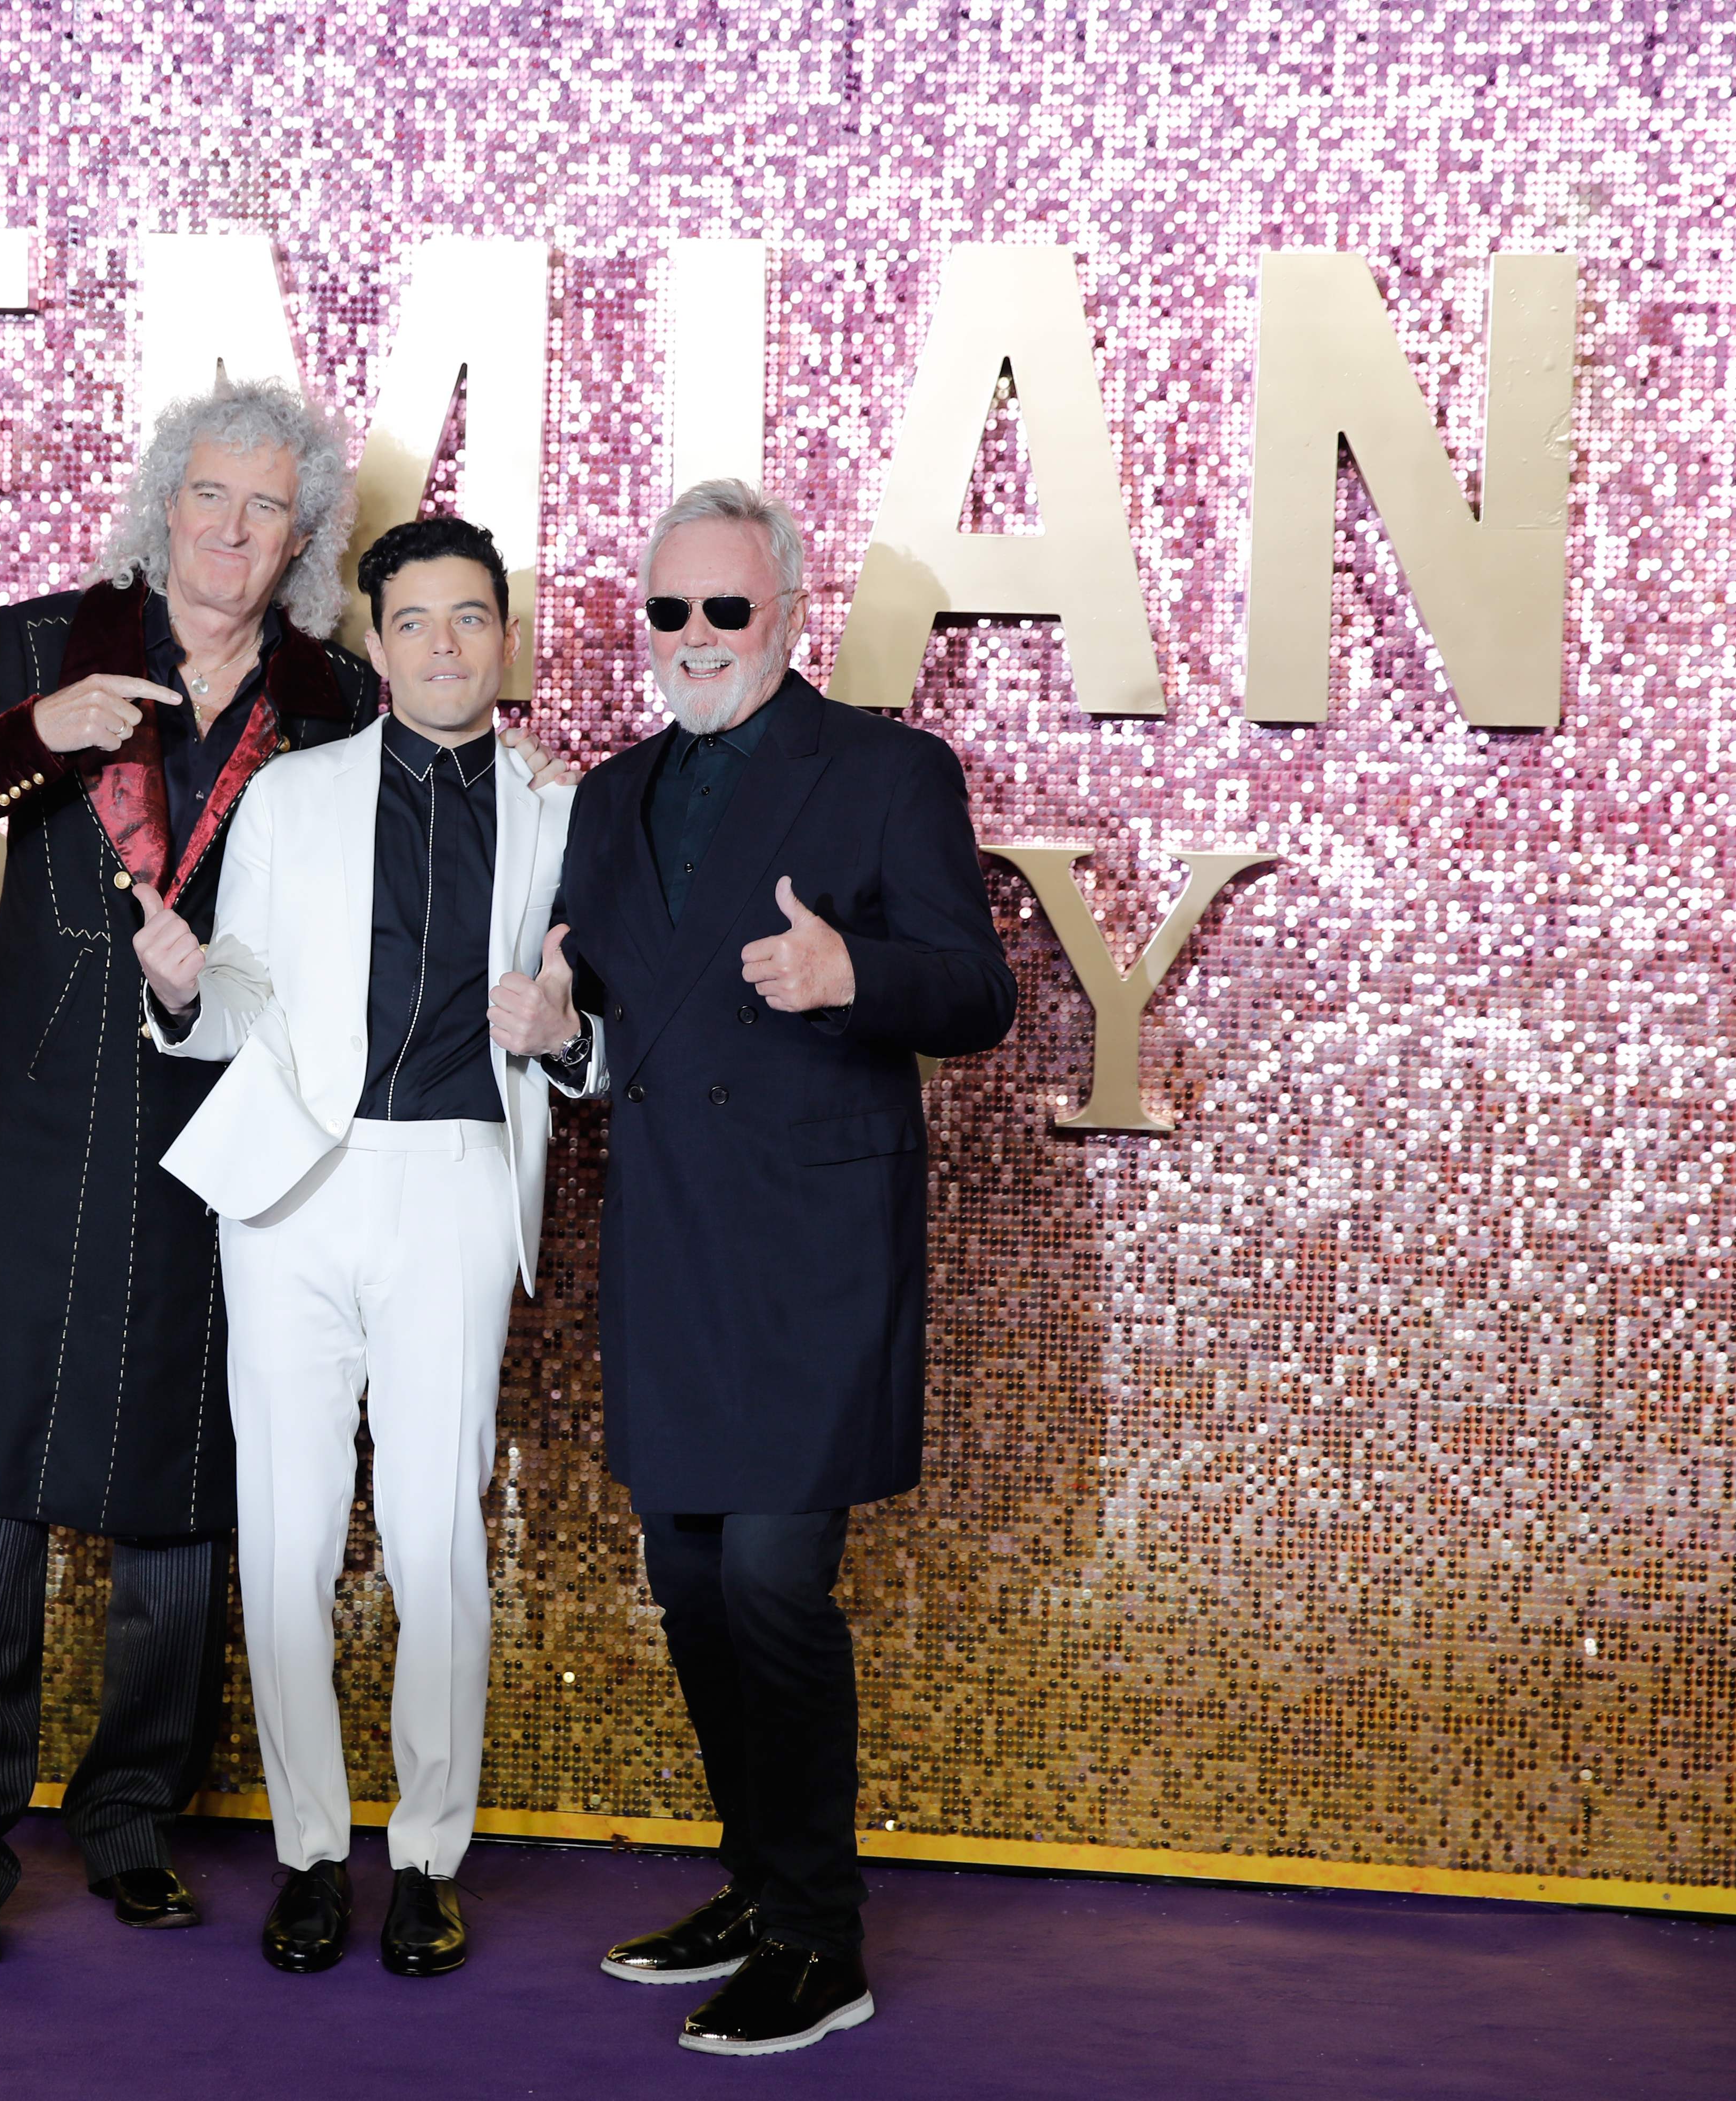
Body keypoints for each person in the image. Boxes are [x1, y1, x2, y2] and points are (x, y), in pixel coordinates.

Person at [486, 479, 1017, 2054]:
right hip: (668, 1247)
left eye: (729, 608)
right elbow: (624, 1034)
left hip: (813, 1256)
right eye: (672, 611)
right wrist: (559, 1035)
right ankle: (761, 1881)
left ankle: (821, 1939)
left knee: (778, 1582)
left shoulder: (886, 773)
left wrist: (857, 971)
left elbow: (977, 993)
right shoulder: (609, 796)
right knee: (697, 1581)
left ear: (792, 614)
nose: (698, 636)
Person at [0, 379, 378, 1963]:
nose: (230, 534)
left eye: (265, 510)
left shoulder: (333, 700)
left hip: (223, 1134)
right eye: (208, 499)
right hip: (31, 1131)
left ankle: (135, 1826)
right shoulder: (44, 645)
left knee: (183, 1503)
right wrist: (35, 740)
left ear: (302, 543)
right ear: (164, 506)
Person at [136, 516, 579, 1979]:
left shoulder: (562, 813)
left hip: (456, 1180)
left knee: (437, 1537)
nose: (446, 645)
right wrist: (185, 989)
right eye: (417, 622)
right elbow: (238, 999)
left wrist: (566, 1039)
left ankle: (430, 1859)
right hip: (294, 1195)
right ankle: (314, 1853)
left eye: (472, 619)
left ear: (503, 639)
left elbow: (599, 1020)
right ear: (374, 643)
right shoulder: (290, 799)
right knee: (290, 1530)